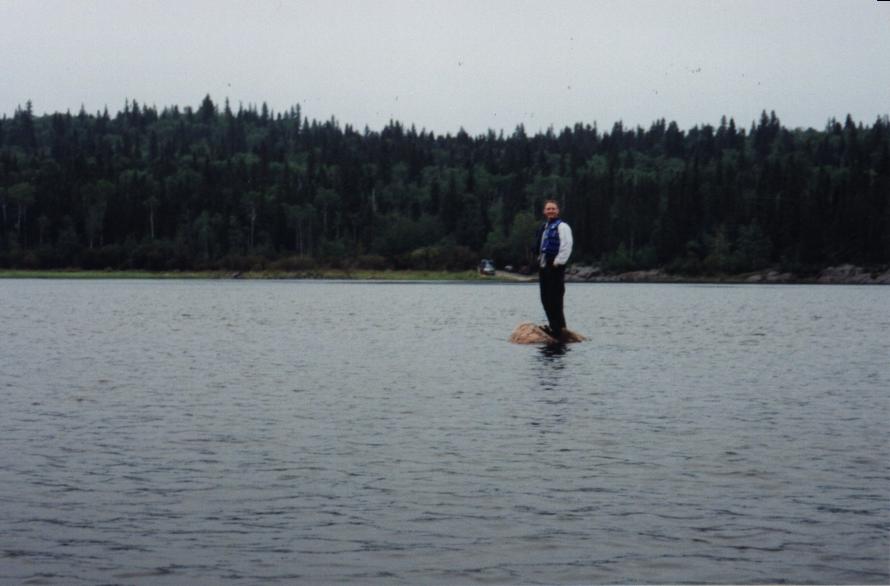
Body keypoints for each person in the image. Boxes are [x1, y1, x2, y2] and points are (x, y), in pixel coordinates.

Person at [534, 199, 573, 340]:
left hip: (555, 265)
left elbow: (567, 245)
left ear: (558, 211)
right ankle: (553, 326)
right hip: (544, 264)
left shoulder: (563, 226)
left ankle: (560, 328)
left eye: (553, 208)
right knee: (545, 298)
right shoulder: (544, 227)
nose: (550, 211)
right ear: (544, 211)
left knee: (555, 297)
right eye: (548, 209)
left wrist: (558, 262)